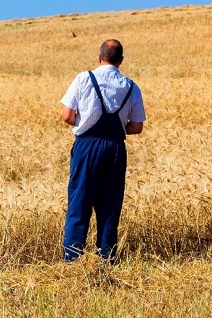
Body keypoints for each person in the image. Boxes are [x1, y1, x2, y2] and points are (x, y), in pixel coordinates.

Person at [60, 39, 146, 263]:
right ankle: (106, 260)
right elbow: (137, 126)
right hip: (115, 148)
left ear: (99, 58)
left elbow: (67, 116)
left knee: (79, 202)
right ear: (121, 61)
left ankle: (73, 260)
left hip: (87, 146)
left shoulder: (83, 78)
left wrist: (86, 122)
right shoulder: (131, 86)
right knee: (109, 206)